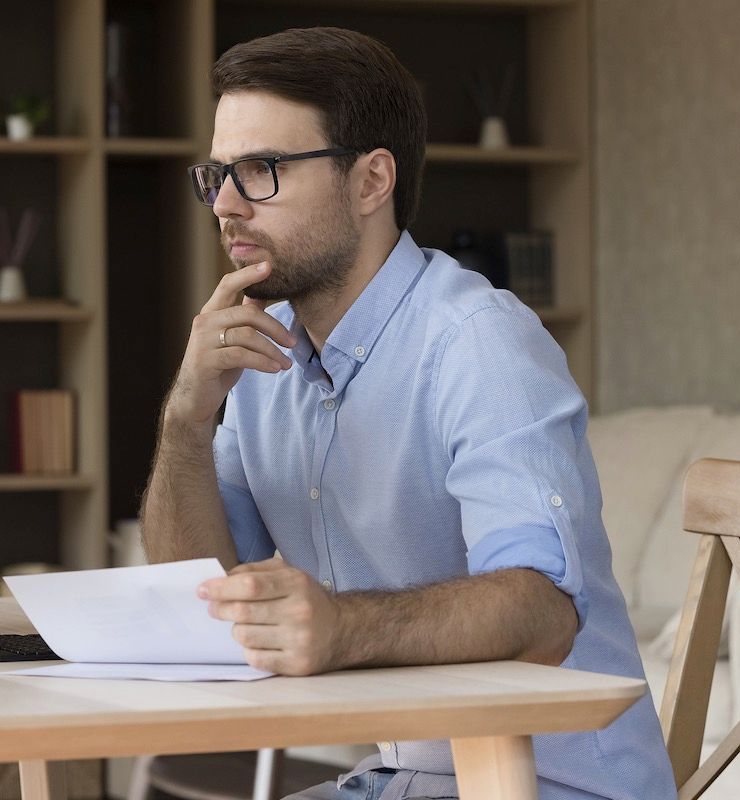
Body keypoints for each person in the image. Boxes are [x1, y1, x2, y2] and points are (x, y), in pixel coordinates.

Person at [138, 26, 676, 800]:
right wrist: (185, 421)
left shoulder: (479, 344)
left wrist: (341, 628)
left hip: (552, 784)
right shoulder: (260, 360)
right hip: (406, 776)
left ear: (370, 181)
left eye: (262, 171)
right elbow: (205, 594)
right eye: (218, 174)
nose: (224, 205)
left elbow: (540, 610)